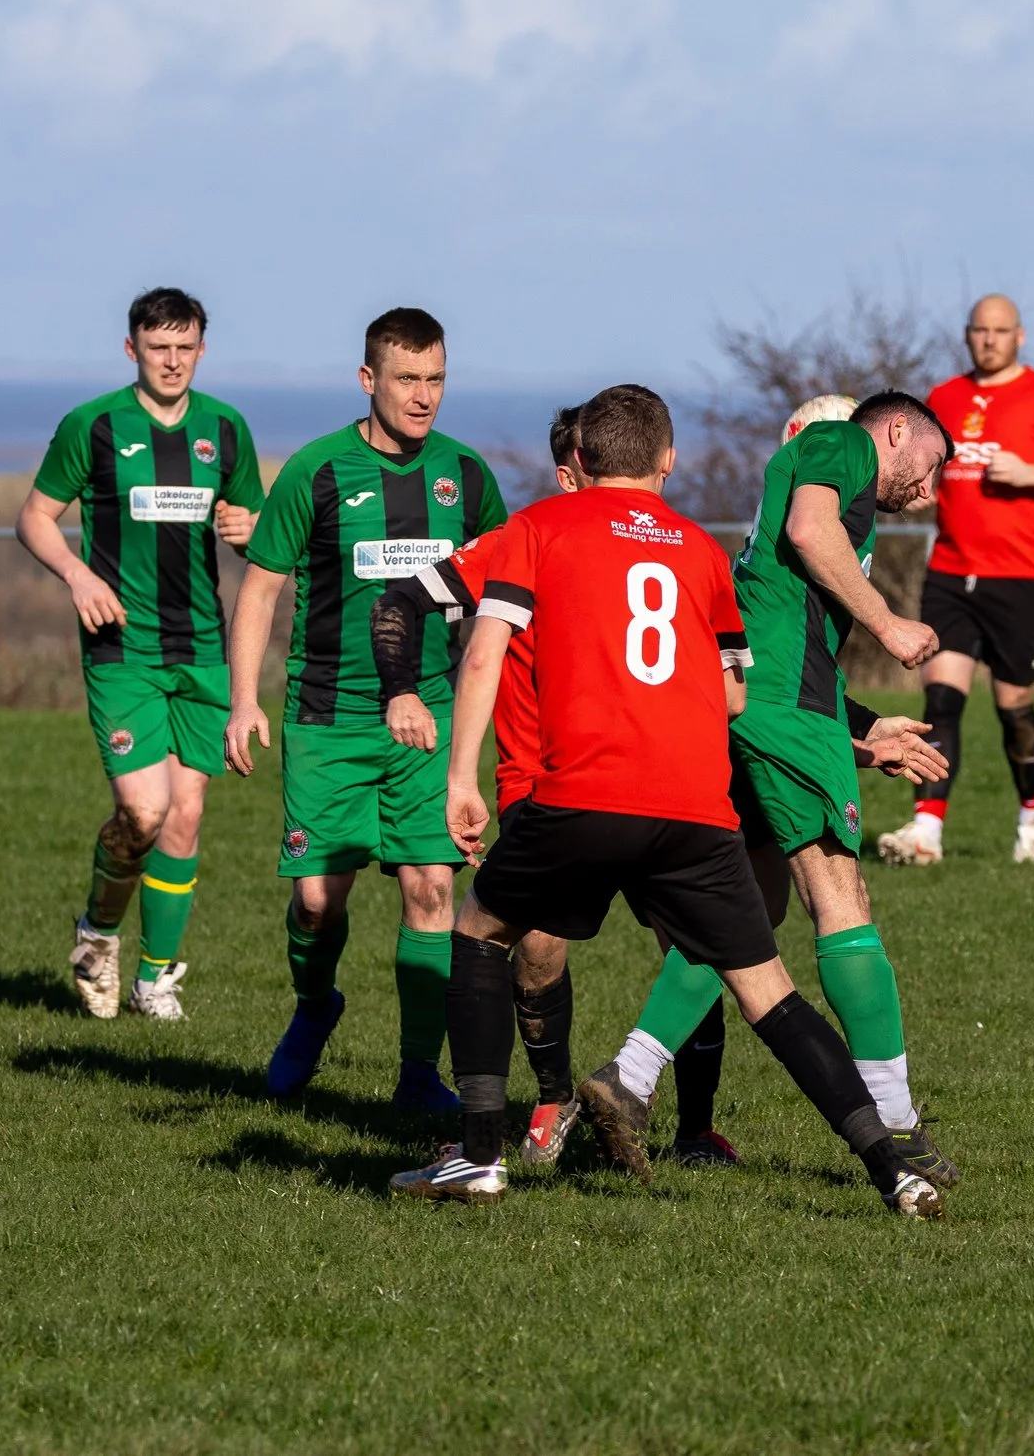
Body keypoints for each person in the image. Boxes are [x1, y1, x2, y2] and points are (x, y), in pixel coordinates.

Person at [388, 384, 944, 1217]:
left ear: (577, 461)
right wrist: (881, 658)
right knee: (778, 979)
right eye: (932, 467)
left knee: (481, 931)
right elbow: (732, 692)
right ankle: (894, 1162)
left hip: (577, 793)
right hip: (691, 803)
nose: (930, 487)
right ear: (668, 461)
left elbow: (477, 656)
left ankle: (486, 1152)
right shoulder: (711, 541)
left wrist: (457, 775)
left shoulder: (537, 528)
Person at [577, 391, 960, 1187]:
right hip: (782, 707)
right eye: (931, 467)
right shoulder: (842, 446)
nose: (930, 491)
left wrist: (861, 735)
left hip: (756, 704)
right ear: (896, 433)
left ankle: (630, 1078)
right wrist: (889, 627)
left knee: (751, 909)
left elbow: (780, 626)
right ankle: (894, 1119)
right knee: (840, 892)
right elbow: (809, 533)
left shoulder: (825, 475)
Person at [228, 307, 507, 1113]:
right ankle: (316, 1004)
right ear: (368, 380)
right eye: (407, 379)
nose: (424, 397)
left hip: (431, 722)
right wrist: (244, 699)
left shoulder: (466, 475)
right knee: (318, 902)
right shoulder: (317, 470)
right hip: (327, 717)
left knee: (430, 890)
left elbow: (506, 586)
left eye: (436, 380)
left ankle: (419, 1073)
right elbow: (261, 588)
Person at [18, 287, 265, 1021]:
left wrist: (245, 528)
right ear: (132, 350)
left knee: (186, 816)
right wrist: (77, 573)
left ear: (201, 350)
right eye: (159, 349)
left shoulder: (225, 428)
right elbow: (34, 517)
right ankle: (97, 932)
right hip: (121, 648)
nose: (172, 362)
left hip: (202, 652)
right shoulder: (92, 426)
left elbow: (252, 525)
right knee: (144, 811)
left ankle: (155, 981)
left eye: (185, 348)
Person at [352, 403, 589, 1167]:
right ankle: (550, 1098)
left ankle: (682, 1121)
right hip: (538, 786)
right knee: (538, 947)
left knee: (709, 944)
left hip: (640, 779)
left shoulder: (659, 546)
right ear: (569, 475)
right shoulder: (521, 543)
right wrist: (401, 687)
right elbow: (399, 602)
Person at [877, 293, 1034, 866]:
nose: (988, 339)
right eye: (979, 329)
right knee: (940, 700)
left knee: (1015, 707)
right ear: (966, 334)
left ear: (1019, 336)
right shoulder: (945, 398)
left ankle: (1032, 823)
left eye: (999, 330)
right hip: (952, 572)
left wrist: (1032, 472)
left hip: (1020, 576)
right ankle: (926, 832)